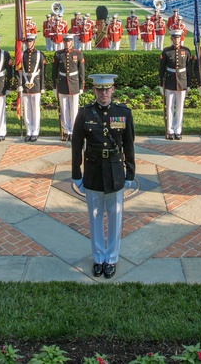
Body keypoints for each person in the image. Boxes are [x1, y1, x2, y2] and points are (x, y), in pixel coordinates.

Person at [71, 73, 136, 280]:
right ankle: (99, 257)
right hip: (93, 171)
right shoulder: (84, 113)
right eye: (100, 89)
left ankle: (112, 258)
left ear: (113, 89)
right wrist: (76, 173)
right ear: (94, 90)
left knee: (115, 217)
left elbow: (129, 144)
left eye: (107, 89)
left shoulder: (123, 112)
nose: (104, 93)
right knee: (95, 217)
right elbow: (76, 145)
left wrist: (130, 173)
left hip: (115, 171)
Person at [160, 29, 193, 139]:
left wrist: (188, 84)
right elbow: (162, 69)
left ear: (181, 38)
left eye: (178, 37)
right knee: (169, 106)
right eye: (174, 38)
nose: (176, 40)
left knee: (179, 107)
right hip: (170, 82)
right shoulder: (166, 51)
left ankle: (178, 130)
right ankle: (169, 130)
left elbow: (189, 69)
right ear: (171, 38)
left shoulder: (186, 51)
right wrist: (161, 84)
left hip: (182, 81)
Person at [53, 33, 86, 142]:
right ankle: (66, 131)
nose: (67, 43)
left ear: (72, 42)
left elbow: (81, 71)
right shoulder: (58, 54)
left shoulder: (78, 54)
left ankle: (74, 130)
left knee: (74, 109)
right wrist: (54, 86)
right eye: (65, 41)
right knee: (64, 109)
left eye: (69, 41)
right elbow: (54, 72)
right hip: (62, 84)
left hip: (74, 84)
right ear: (63, 42)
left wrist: (81, 86)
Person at [17, 34, 45, 141]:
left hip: (36, 85)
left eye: (31, 41)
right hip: (24, 86)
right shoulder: (22, 54)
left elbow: (42, 72)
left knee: (35, 110)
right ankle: (28, 130)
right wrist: (19, 84)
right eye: (27, 42)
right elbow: (18, 71)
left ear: (34, 42)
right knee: (27, 109)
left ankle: (35, 131)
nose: (29, 43)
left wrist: (42, 86)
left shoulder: (39, 54)